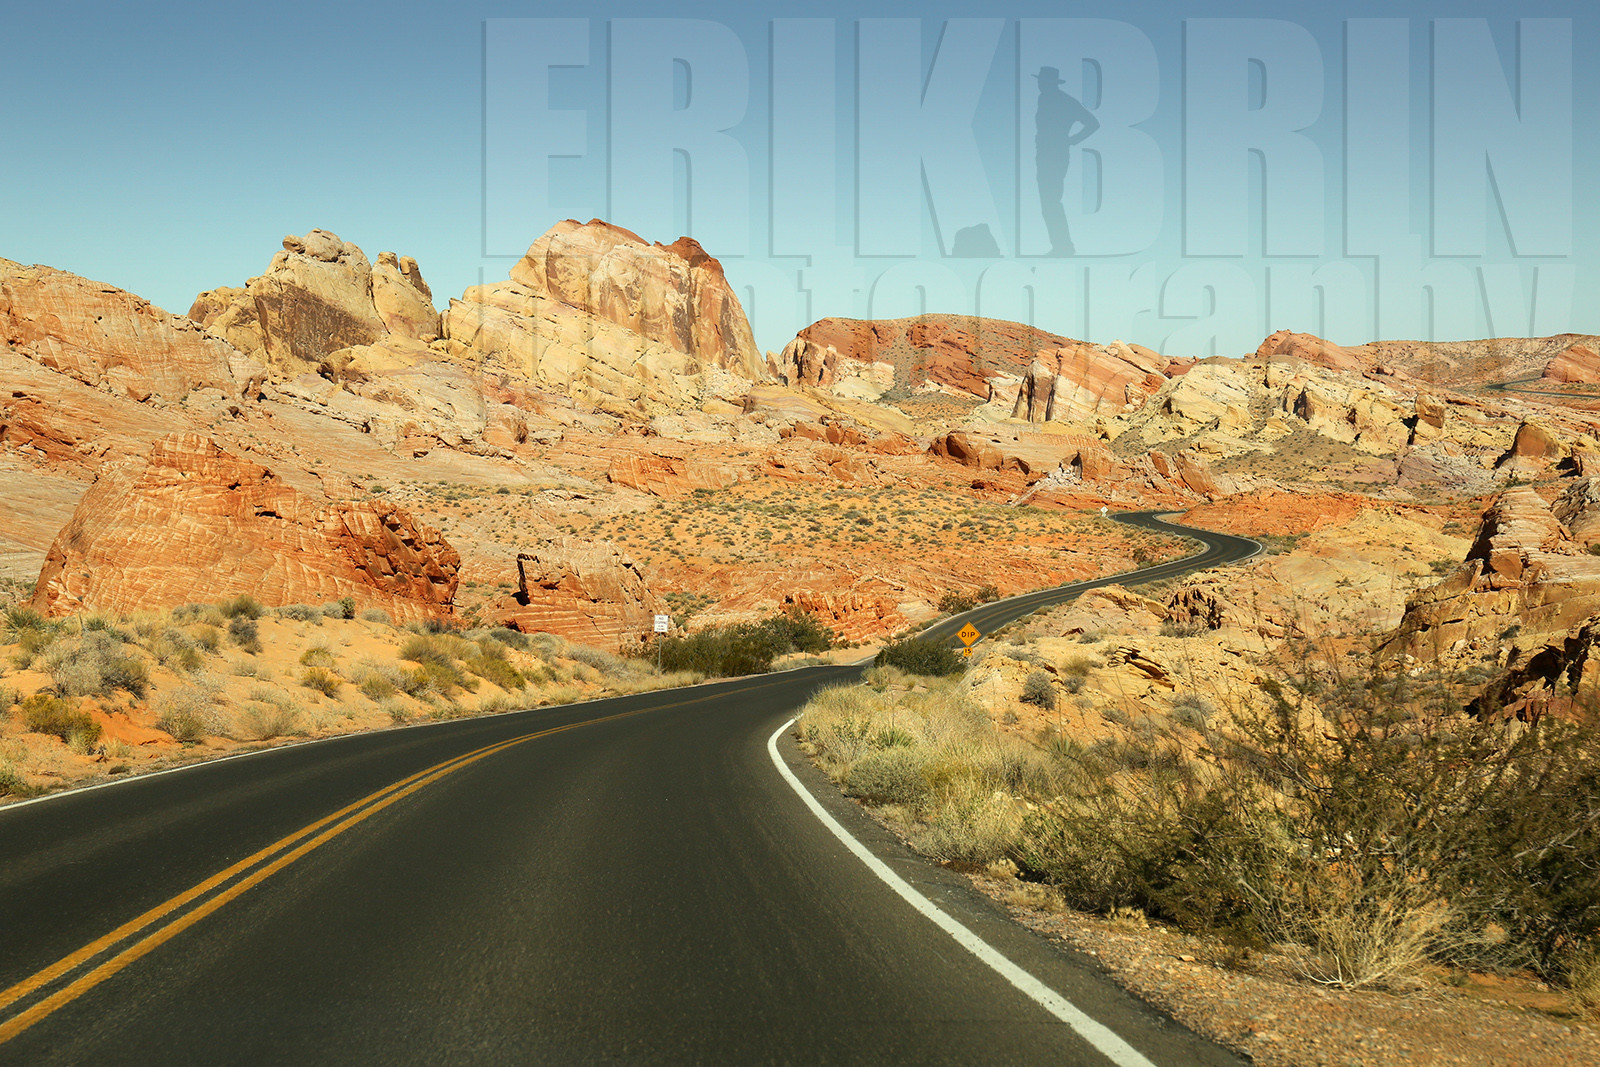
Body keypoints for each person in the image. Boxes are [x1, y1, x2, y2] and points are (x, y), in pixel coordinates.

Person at [1034, 66, 1099, 256]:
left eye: (1042, 81)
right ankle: (1060, 246)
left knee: (1051, 202)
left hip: (1055, 156)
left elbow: (1093, 123)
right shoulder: (1043, 99)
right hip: (1044, 155)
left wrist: (1072, 140)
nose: (1039, 85)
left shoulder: (1065, 101)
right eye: (1039, 81)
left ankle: (1063, 247)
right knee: (1048, 202)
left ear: (1050, 83)